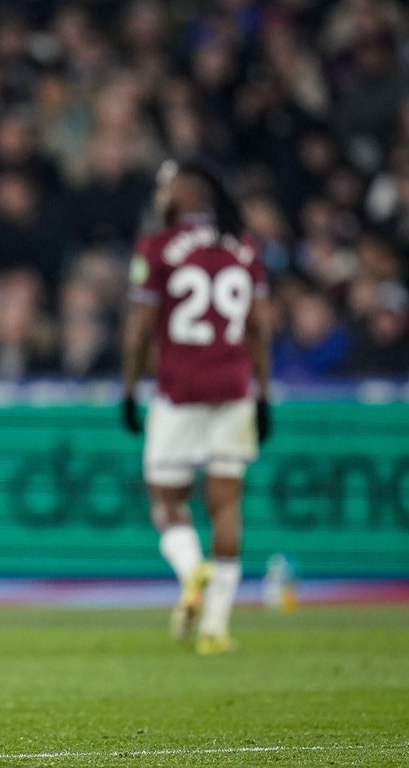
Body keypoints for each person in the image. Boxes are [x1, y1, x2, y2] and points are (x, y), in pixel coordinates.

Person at [120, 160, 273, 656]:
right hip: (233, 387)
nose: (160, 195)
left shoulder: (157, 247)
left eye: (167, 187)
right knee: (227, 504)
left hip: (179, 391)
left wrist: (127, 388)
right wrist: (265, 392)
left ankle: (192, 571)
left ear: (187, 193)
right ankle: (216, 627)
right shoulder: (244, 245)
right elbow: (258, 326)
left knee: (166, 501)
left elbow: (142, 328)